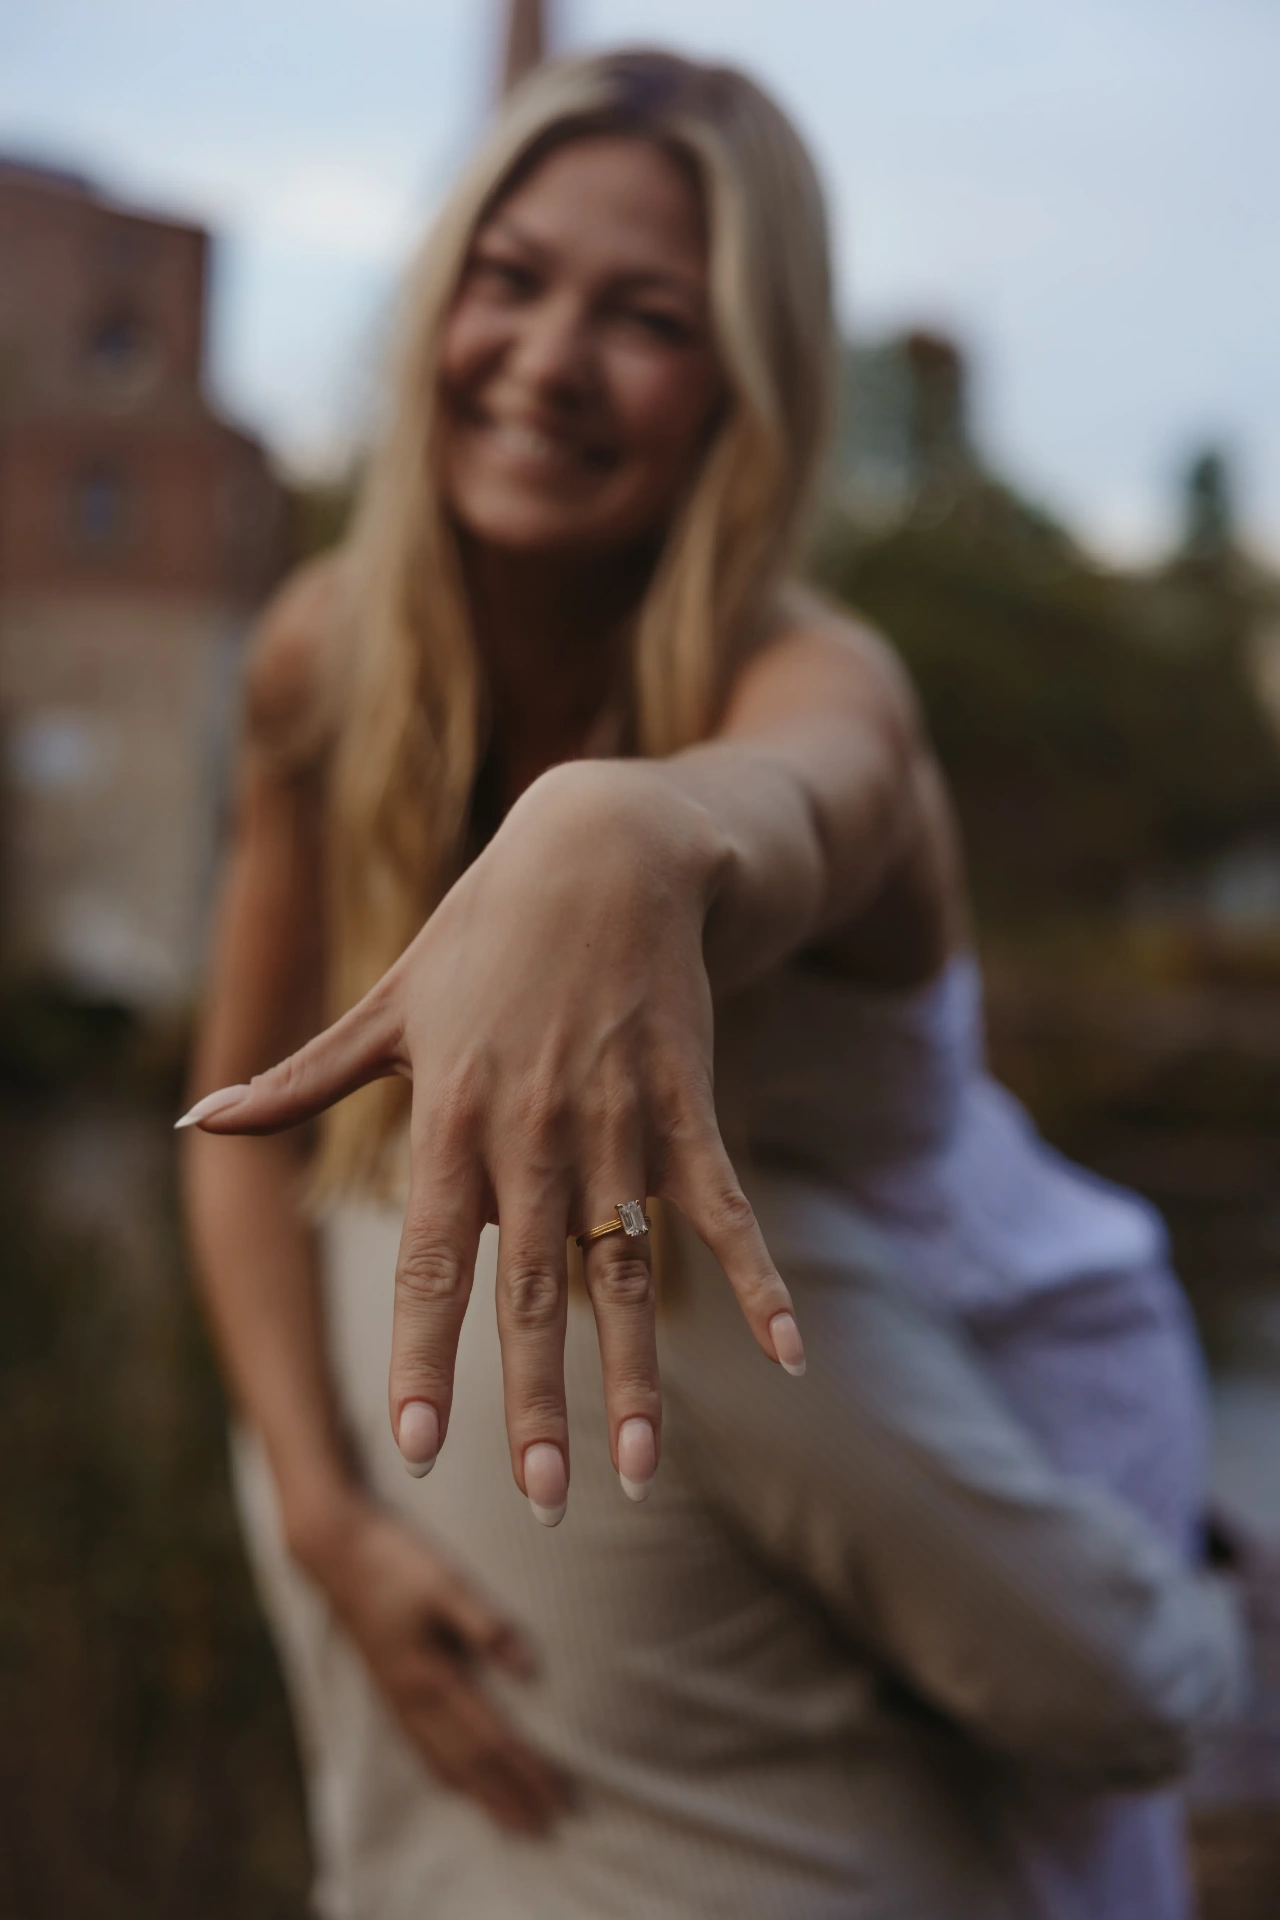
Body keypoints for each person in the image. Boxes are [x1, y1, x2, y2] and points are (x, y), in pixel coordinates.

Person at [182, 48, 1241, 1919]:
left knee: (1078, 1799)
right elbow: (233, 1124)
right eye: (510, 279)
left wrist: (611, 828)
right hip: (708, 1342)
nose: (548, 358)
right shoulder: (321, 659)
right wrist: (321, 1517)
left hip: (969, 1339)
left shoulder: (827, 684)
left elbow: (787, 802)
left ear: (745, 391)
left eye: (645, 317)